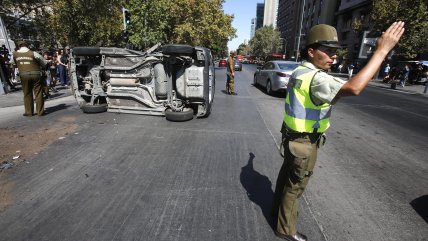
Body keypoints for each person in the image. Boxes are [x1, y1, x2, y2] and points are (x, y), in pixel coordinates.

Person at [272, 22, 404, 241]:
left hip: (291, 136)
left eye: (335, 52)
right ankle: (286, 230)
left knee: (286, 179)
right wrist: (381, 51)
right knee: (296, 187)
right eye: (328, 51)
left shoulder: (300, 70)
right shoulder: (316, 78)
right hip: (305, 142)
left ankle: (276, 213)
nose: (333, 57)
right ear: (311, 52)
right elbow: (354, 87)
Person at [10, 41, 47, 116]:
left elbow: (12, 63)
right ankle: (40, 112)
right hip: (36, 74)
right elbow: (44, 63)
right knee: (38, 92)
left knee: (27, 93)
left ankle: (29, 112)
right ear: (27, 46)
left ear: (19, 46)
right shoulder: (33, 53)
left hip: (23, 75)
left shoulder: (15, 54)